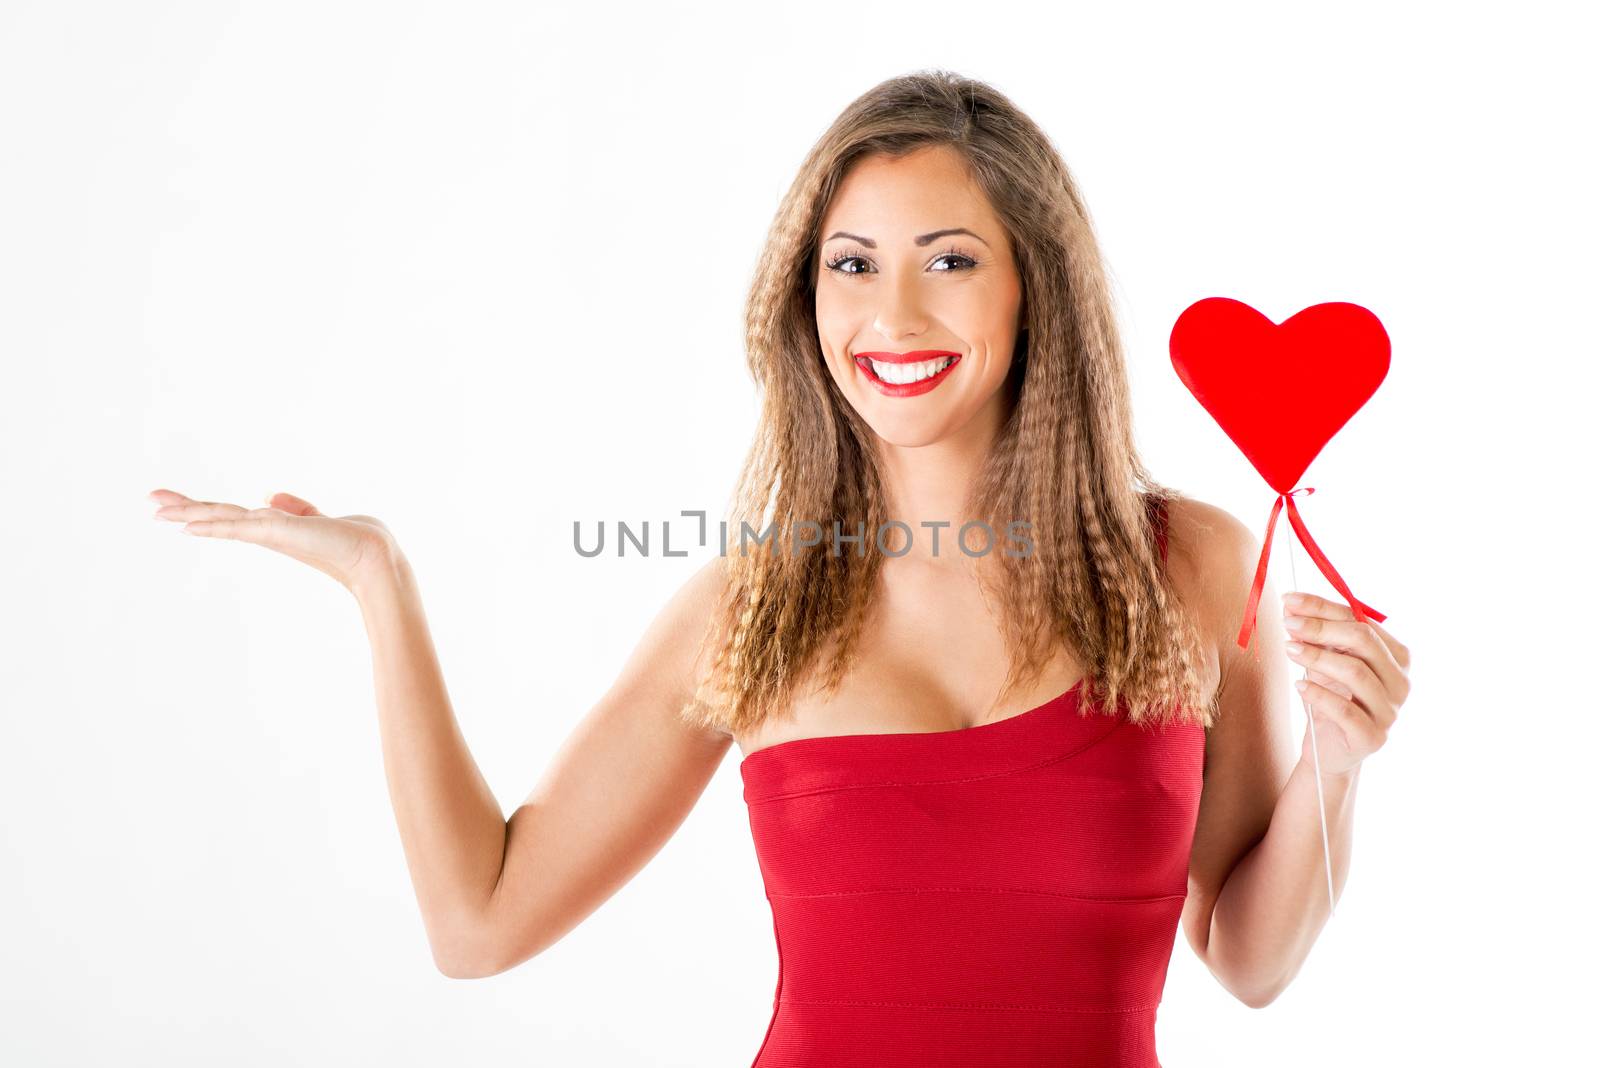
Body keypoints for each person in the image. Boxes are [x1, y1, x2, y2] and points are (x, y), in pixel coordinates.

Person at [149, 69, 1411, 1067]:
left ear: (1039, 289)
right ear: (803, 295)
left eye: (950, 260)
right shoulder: (755, 608)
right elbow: (478, 924)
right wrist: (382, 586)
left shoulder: (1187, 568)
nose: (892, 316)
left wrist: (1335, 771)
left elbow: (1248, 959)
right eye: (850, 263)